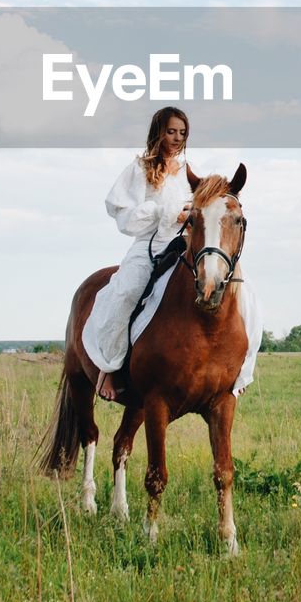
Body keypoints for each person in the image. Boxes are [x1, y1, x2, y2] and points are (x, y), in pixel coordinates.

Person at [83, 106, 193, 401]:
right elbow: (125, 217)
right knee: (126, 291)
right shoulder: (140, 168)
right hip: (150, 243)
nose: (177, 138)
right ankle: (109, 367)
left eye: (182, 133)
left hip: (183, 242)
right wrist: (168, 212)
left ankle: (236, 370)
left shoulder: (186, 172)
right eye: (171, 131)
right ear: (159, 131)